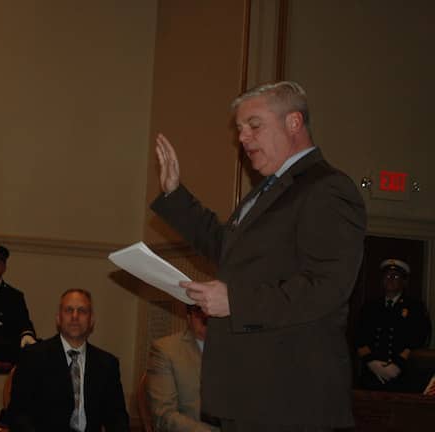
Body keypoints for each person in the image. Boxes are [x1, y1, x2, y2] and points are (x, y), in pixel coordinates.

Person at [151, 81, 367, 430]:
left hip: (292, 400)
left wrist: (236, 300)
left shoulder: (327, 188)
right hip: (254, 395)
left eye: (254, 125)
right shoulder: (268, 190)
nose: (243, 138)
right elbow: (227, 248)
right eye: (239, 129)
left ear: (293, 123)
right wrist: (175, 195)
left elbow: (328, 286)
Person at [7, 288, 129, 432]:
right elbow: (18, 415)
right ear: (58, 318)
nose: (75, 316)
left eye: (82, 311)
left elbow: (118, 419)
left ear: (92, 321)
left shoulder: (107, 364)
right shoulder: (33, 357)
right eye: (68, 310)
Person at [355, 258, 432, 392]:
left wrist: (398, 364)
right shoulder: (370, 306)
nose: (390, 279)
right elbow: (358, 335)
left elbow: (419, 336)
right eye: (387, 276)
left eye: (395, 276)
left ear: (404, 282)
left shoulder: (414, 307)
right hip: (372, 373)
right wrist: (371, 362)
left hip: (402, 375)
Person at [146, 305, 218, 432]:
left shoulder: (238, 349)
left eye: (211, 310)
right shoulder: (166, 350)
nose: (206, 316)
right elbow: (163, 414)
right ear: (188, 316)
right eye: (199, 311)